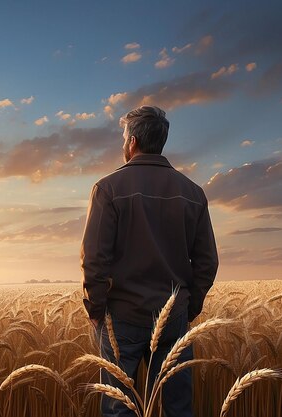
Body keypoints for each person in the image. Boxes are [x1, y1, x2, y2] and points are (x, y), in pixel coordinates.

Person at [80, 105, 218, 417]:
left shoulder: (108, 188)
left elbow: (94, 259)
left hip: (121, 317)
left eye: (123, 138)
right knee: (177, 408)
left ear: (132, 142)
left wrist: (96, 311)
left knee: (119, 408)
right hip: (173, 319)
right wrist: (187, 307)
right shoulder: (193, 193)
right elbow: (207, 262)